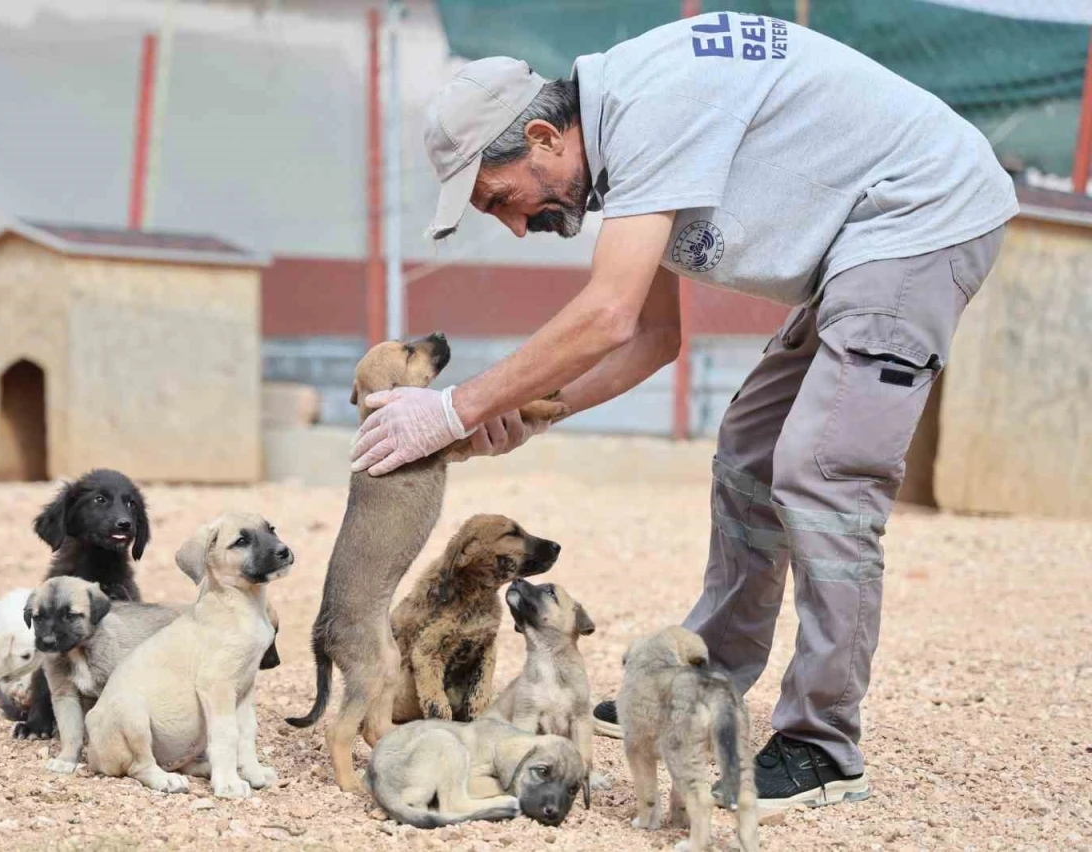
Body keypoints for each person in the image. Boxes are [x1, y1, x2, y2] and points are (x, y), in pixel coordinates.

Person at [348, 12, 1018, 810]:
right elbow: (655, 338)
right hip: (860, 249)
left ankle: (822, 745)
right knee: (749, 451)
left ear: (542, 137)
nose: (520, 226)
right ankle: (713, 679)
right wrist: (527, 414)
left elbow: (608, 315)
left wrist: (454, 408)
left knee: (824, 470)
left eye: (502, 200)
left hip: (921, 220)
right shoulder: (624, 137)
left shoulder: (647, 108)